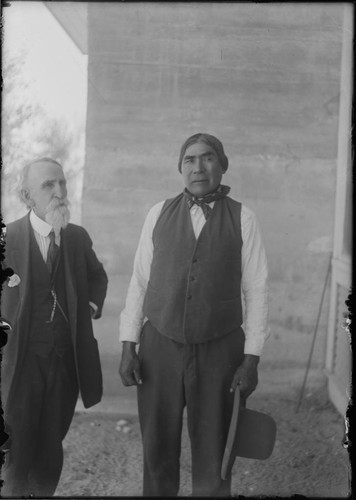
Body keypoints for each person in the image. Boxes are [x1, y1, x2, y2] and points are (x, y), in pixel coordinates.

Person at [119, 133, 269, 497]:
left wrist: (251, 360)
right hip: (160, 346)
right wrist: (128, 344)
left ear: (222, 165)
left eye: (207, 158)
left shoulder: (243, 218)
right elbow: (139, 280)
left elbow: (257, 290)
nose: (198, 167)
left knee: (215, 455)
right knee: (157, 450)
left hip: (219, 351)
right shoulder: (158, 213)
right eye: (189, 159)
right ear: (180, 168)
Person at [1, 157, 108, 496]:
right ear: (26, 195)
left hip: (64, 362)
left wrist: (88, 307)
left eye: (62, 183)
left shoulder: (76, 238)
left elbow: (97, 276)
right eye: (49, 185)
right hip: (19, 364)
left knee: (50, 448)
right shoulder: (9, 238)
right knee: (15, 452)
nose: (60, 191)